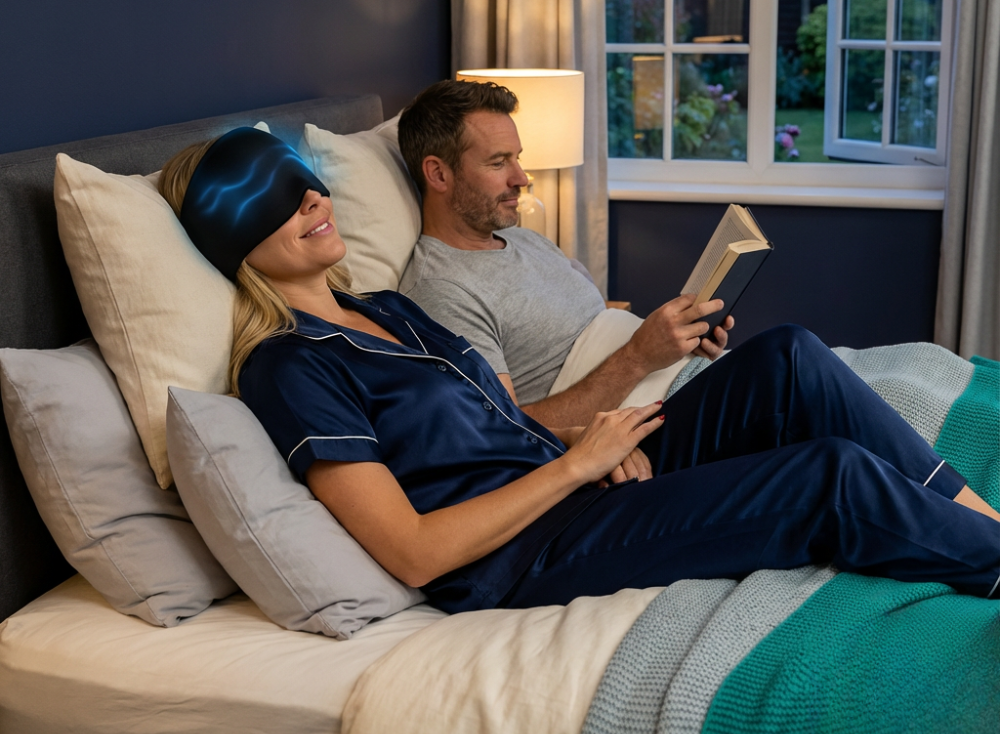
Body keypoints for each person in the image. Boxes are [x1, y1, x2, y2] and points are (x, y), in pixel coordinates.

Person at [159, 126, 1000, 616]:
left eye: (307, 185)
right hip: (527, 552)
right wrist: (573, 468)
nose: (313, 200)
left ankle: (982, 520)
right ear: (233, 236)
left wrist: (586, 443)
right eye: (277, 199)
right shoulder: (289, 367)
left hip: (569, 482)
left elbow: (495, 423)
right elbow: (412, 554)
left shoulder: (384, 307)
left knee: (787, 359)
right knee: (829, 477)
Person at [396, 78, 735, 430]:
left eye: (517, 158)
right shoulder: (442, 291)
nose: (521, 178)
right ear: (438, 174)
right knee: (774, 354)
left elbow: (599, 326)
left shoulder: (526, 240)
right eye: (498, 163)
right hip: (661, 420)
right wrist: (639, 356)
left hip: (686, 379)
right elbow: (504, 431)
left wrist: (678, 343)